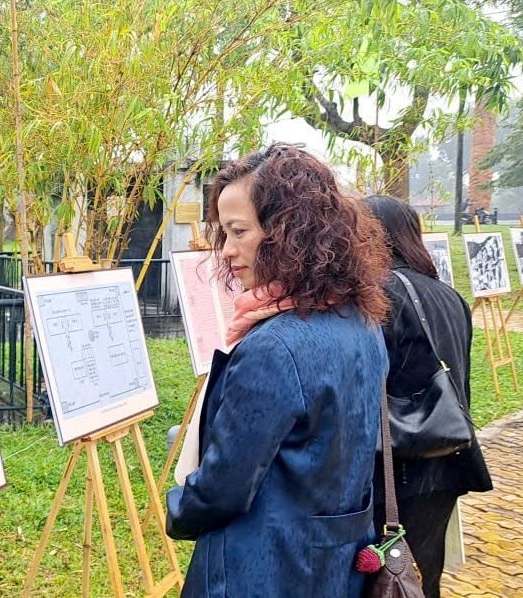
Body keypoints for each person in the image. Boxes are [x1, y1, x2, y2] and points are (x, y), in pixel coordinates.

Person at [165, 143, 391, 597]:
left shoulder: (274, 346)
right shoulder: (360, 323)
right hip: (335, 567)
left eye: (239, 231)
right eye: (223, 234)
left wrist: (178, 507)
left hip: (262, 571)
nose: (227, 250)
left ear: (292, 230)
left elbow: (224, 487)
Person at [364, 195, 493, 598]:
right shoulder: (448, 295)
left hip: (398, 470)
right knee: (423, 577)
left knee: (393, 581)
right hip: (449, 456)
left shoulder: (381, 295)